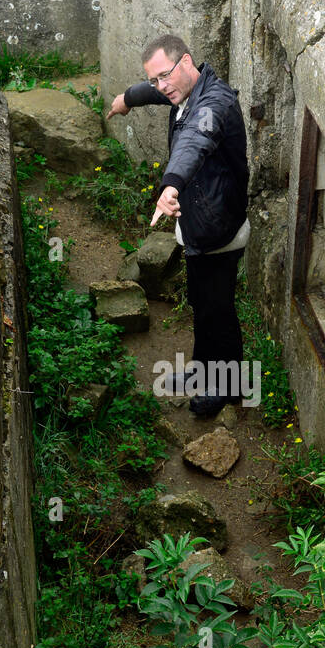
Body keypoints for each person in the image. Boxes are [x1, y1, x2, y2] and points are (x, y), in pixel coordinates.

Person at [107, 34, 250, 418]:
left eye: (165, 77)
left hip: (219, 228)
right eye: (155, 79)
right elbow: (155, 91)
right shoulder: (183, 87)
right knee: (203, 303)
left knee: (217, 309)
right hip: (199, 219)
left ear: (187, 62)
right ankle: (204, 369)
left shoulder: (214, 105)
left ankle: (230, 386)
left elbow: (195, 141)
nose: (161, 87)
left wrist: (170, 185)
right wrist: (128, 99)